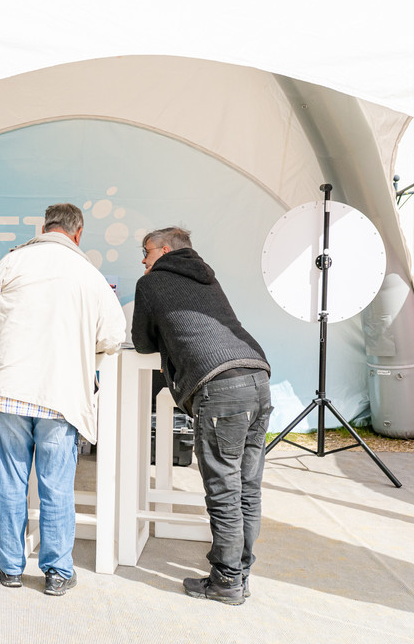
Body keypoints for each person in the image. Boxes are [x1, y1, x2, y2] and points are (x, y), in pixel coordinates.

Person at [0, 203, 125, 596]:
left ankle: (9, 567)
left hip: (8, 389)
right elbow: (113, 336)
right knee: (56, 485)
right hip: (61, 395)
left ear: (44, 227)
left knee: (9, 480)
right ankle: (57, 572)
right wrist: (86, 351)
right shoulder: (89, 274)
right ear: (78, 232)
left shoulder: (11, 263)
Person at [131, 226, 272, 606]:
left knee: (224, 489)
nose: (142, 260)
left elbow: (141, 342)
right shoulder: (207, 277)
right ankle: (239, 573)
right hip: (257, 376)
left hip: (221, 387)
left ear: (163, 250)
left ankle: (226, 580)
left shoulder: (151, 283)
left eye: (145, 251)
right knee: (246, 486)